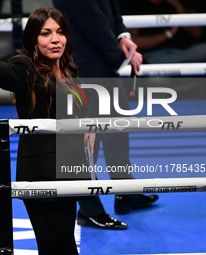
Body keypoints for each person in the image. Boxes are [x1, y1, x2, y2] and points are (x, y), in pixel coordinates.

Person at [0, 7, 95, 255]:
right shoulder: (25, 67)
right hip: (42, 172)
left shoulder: (67, 68)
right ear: (33, 38)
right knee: (57, 247)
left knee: (62, 243)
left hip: (70, 170)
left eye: (60, 32)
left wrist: (89, 124)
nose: (55, 39)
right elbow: (4, 74)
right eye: (46, 33)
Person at [53, 0, 159, 225]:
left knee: (118, 130)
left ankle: (125, 191)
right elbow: (91, 19)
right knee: (87, 139)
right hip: (84, 66)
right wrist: (121, 56)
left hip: (103, 62)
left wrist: (123, 36)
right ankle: (89, 208)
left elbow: (111, 6)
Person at [117, 0, 206, 64]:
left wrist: (177, 5)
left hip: (184, 51)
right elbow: (134, 42)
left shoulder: (182, 3)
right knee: (157, 78)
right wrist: (167, 34)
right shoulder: (135, 5)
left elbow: (197, 33)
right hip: (154, 56)